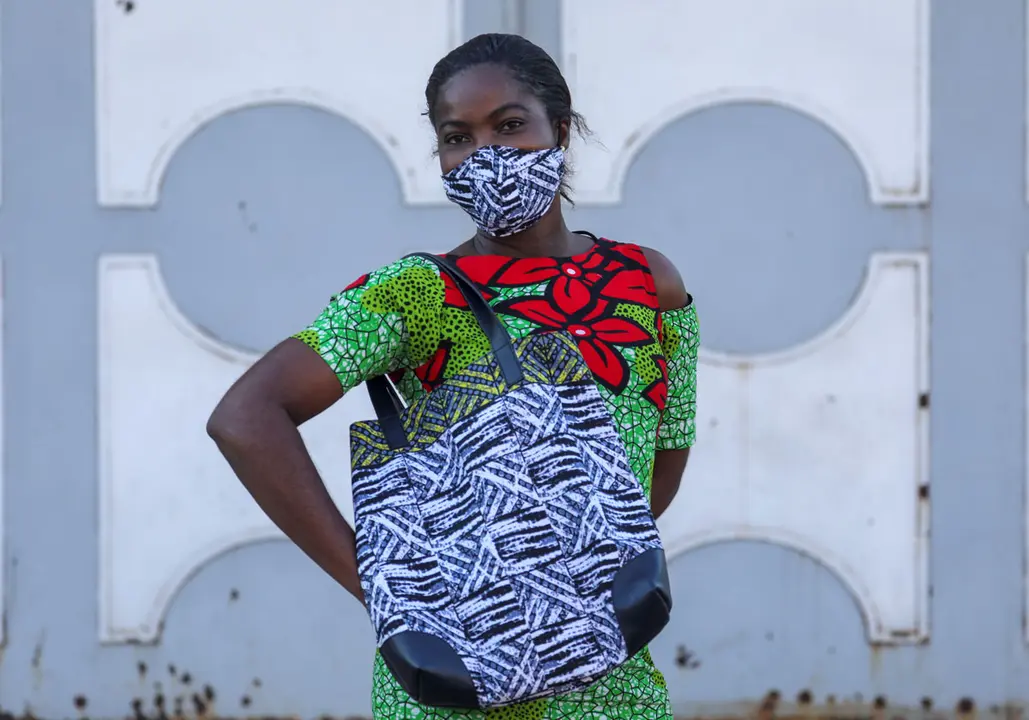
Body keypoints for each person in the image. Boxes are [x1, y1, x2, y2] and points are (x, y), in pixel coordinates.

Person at [207, 32, 699, 720]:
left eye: (509, 125)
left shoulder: (648, 284)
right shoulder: (412, 295)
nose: (485, 156)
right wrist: (392, 593)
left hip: (607, 676)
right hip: (455, 686)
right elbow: (245, 417)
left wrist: (560, 571)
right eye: (456, 137)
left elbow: (662, 463)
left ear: (559, 130)